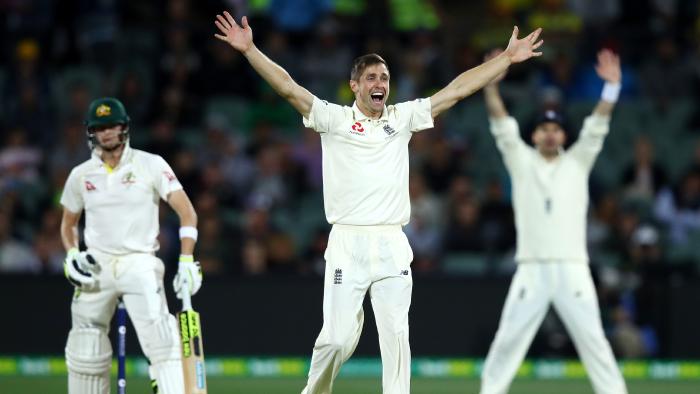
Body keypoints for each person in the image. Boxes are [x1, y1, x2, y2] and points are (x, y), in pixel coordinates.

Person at [214, 10, 543, 394]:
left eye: (384, 77)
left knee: (396, 336)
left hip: (390, 242)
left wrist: (504, 58)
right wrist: (250, 49)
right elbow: (288, 88)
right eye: (371, 77)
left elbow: (455, 90)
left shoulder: (402, 118)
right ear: (354, 85)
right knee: (336, 340)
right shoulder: (333, 119)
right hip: (346, 243)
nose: (379, 83)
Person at [479, 49, 628, 394]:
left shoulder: (578, 161)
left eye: (556, 129)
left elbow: (597, 126)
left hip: (573, 267)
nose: (549, 134)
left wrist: (611, 89)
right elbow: (501, 125)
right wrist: (490, 87)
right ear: (533, 135)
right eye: (543, 129)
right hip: (531, 267)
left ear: (564, 136)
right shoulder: (521, 161)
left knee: (595, 344)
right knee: (507, 342)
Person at [60, 97, 202, 394]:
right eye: (100, 128)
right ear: (92, 132)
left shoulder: (150, 164)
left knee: (163, 342)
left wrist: (187, 260)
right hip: (96, 265)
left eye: (112, 125)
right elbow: (68, 224)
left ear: (124, 127)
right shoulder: (81, 175)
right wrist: (72, 254)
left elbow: (187, 211)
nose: (107, 133)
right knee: (85, 347)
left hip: (139, 262)